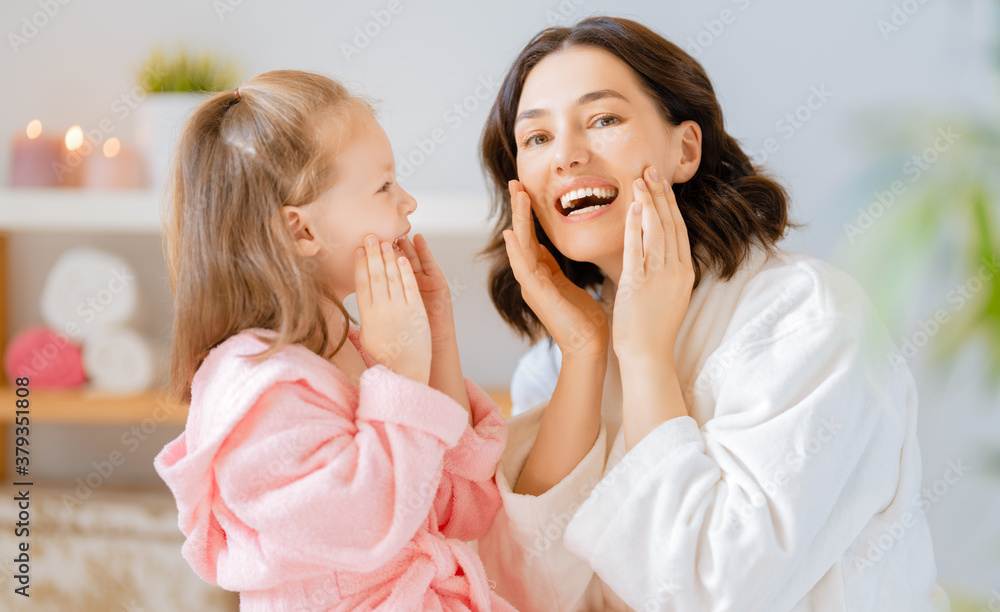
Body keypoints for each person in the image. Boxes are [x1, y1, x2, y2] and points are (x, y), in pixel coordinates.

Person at [475, 17, 949, 612]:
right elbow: (521, 595)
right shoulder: (559, 362)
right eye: (537, 138)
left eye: (604, 119)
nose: (567, 154)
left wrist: (646, 357)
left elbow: (710, 592)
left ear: (685, 149)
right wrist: (585, 353)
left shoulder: (807, 318)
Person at [153, 70, 515, 611]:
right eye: (384, 186)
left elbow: (462, 507)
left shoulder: (356, 352)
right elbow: (366, 525)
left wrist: (434, 335)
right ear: (302, 232)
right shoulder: (254, 389)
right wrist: (399, 372)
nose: (408, 201)